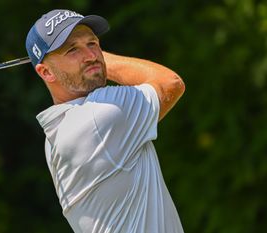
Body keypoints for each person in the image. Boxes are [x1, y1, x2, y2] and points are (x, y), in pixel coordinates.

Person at [25, 9, 185, 233]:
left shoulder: (56, 135)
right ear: (46, 72)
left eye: (92, 43)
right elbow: (170, 83)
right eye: (73, 50)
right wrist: (104, 60)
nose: (91, 55)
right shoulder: (99, 116)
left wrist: (87, 58)